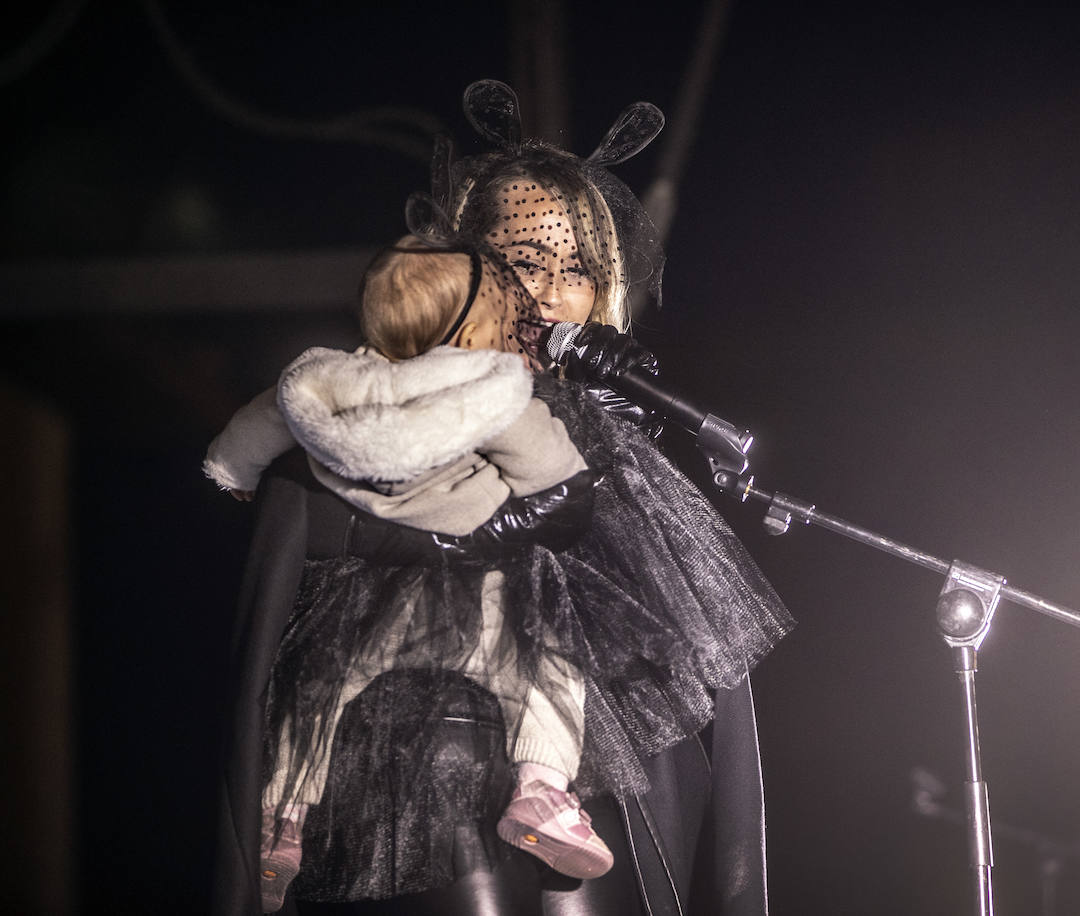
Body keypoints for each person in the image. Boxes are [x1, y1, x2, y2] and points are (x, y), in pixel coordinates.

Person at [210, 80, 792, 916]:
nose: (553, 291)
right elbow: (273, 610)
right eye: (525, 260)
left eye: (579, 270)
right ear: (463, 270)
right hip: (390, 823)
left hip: (589, 832)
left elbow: (717, 724)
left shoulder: (624, 459)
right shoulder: (359, 419)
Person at [206, 236, 621, 911]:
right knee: (550, 666)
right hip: (482, 599)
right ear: (476, 332)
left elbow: (253, 431)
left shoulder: (324, 385)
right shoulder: (490, 396)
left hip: (363, 608)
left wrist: (233, 474)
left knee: (314, 691)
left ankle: (283, 821)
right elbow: (558, 478)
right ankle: (543, 792)